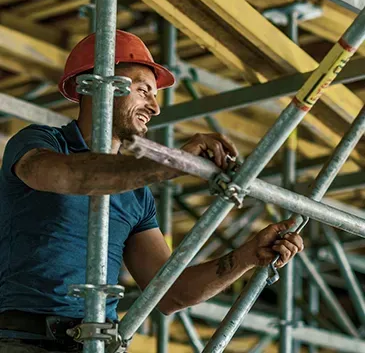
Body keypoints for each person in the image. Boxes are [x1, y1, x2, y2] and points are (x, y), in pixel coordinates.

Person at [0, 30, 303, 352]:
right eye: (144, 90)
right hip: (26, 341)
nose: (155, 107)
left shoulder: (136, 195)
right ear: (98, 84)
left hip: (97, 343)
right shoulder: (41, 142)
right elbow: (69, 176)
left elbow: (170, 293)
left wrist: (246, 256)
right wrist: (172, 162)